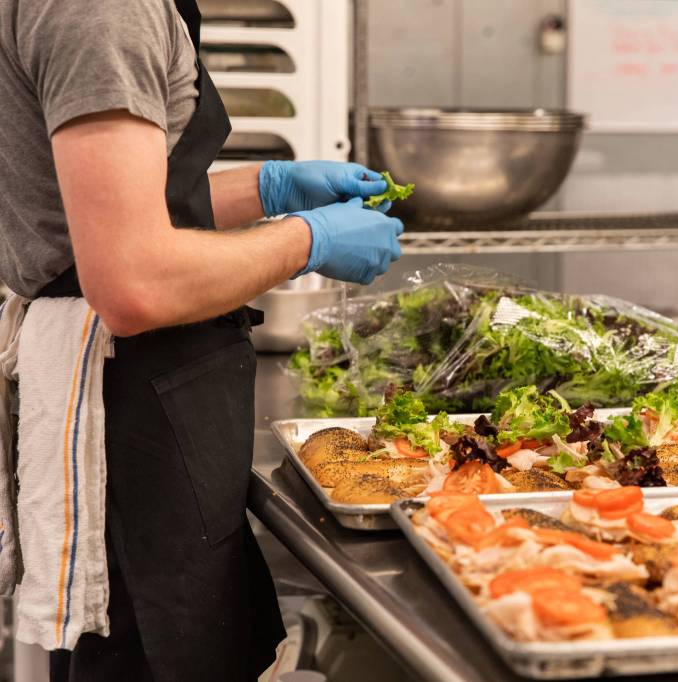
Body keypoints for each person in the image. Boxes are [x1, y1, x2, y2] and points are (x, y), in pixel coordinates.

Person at [0, 0, 403, 679]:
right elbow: (133, 281)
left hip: (140, 395)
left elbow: (117, 208)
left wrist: (271, 189)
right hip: (130, 407)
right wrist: (310, 239)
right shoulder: (105, 9)